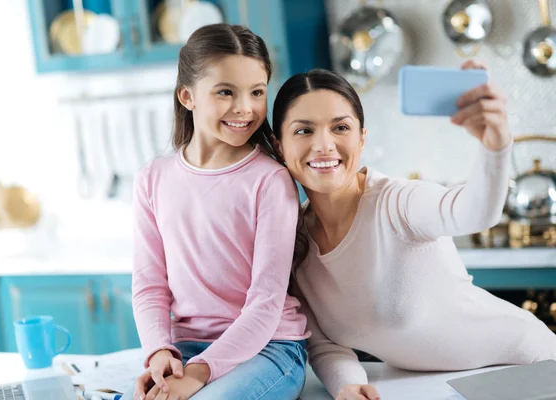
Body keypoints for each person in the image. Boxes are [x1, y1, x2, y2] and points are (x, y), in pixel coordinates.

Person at [271, 62, 556, 400]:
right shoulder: (294, 243)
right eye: (304, 131)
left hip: (528, 364)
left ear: (362, 137)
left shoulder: (397, 202)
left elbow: (474, 212)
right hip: (436, 387)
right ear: (279, 146)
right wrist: (347, 386)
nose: (324, 145)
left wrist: (495, 146)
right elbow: (325, 345)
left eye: (340, 128)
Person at [131, 24, 309, 400]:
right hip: (188, 348)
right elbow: (149, 286)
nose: (245, 108)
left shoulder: (270, 181)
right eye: (225, 92)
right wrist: (159, 350)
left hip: (269, 348)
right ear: (187, 96)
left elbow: (265, 303)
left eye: (257, 92)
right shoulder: (153, 178)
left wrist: (198, 375)